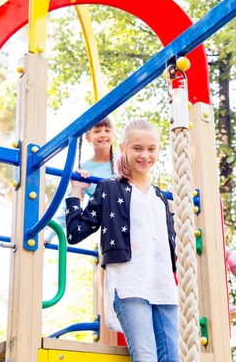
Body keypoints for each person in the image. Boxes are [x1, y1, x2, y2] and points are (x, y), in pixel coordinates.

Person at [66, 119, 179, 361]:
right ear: (124, 148)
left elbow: (169, 245)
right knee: (146, 356)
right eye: (137, 148)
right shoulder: (109, 188)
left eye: (151, 149)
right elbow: (75, 232)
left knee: (171, 358)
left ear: (159, 150)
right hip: (130, 284)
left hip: (163, 285)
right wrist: (76, 192)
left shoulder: (160, 197)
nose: (145, 155)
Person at [44, 116, 117, 243]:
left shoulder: (123, 162)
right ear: (88, 137)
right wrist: (49, 236)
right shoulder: (85, 169)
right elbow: (70, 203)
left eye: (107, 130)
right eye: (97, 131)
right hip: (111, 224)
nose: (103, 134)